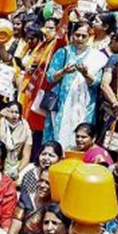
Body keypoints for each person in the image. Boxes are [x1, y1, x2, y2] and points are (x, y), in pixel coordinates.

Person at [44, 21, 106, 149]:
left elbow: (96, 83)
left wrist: (85, 74)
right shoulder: (63, 53)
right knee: (58, 136)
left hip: (85, 106)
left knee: (82, 137)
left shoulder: (96, 57)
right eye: (77, 35)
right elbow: (50, 77)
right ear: (72, 35)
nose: (80, 39)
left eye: (84, 36)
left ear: (89, 37)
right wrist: (63, 72)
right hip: (62, 104)